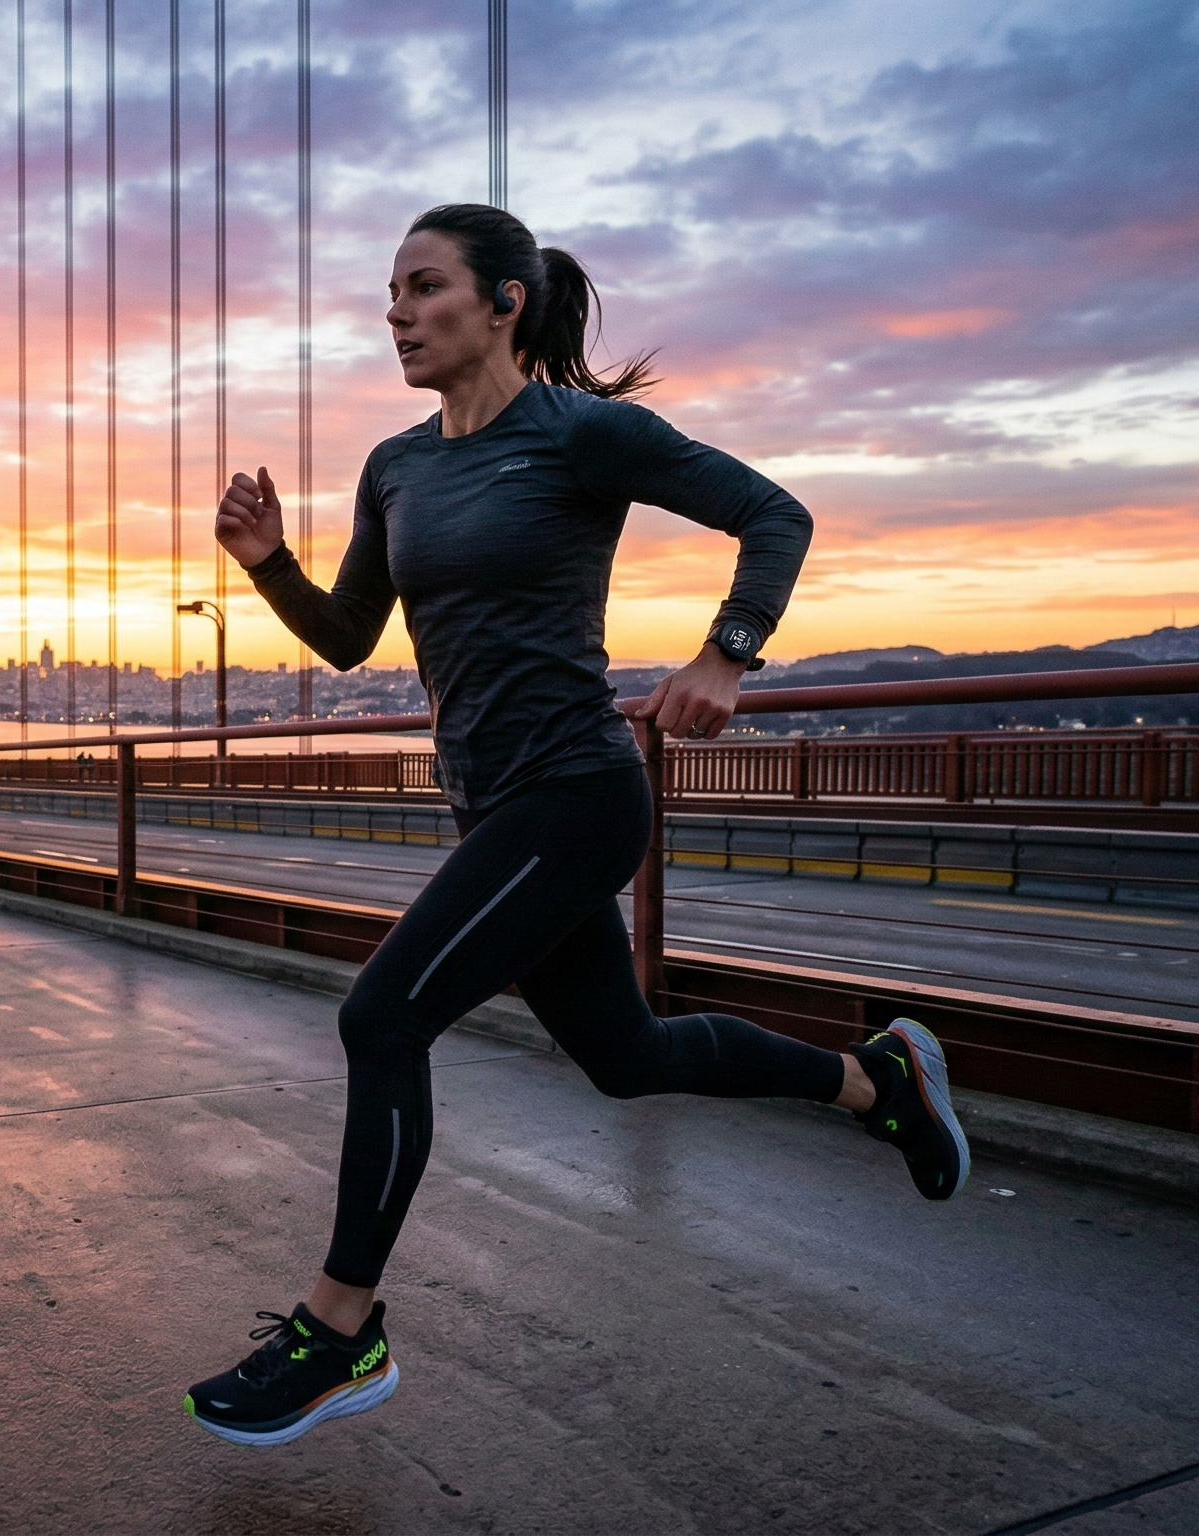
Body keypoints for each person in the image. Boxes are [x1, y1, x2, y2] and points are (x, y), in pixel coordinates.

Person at [180, 204, 968, 1449]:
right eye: (387, 293)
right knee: (624, 1056)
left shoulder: (579, 433)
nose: (393, 313)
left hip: (577, 795)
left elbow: (776, 515)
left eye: (421, 287)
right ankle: (876, 1080)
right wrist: (268, 563)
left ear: (502, 301)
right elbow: (347, 641)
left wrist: (727, 654)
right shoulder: (395, 465)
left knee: (380, 1016)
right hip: (490, 804)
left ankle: (338, 1335)